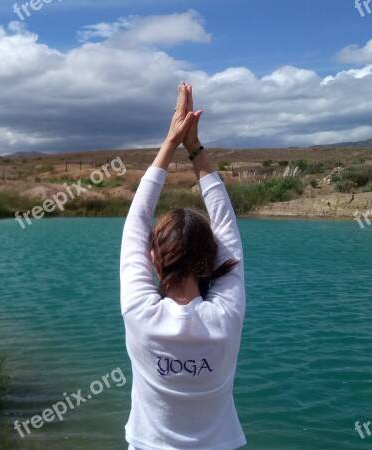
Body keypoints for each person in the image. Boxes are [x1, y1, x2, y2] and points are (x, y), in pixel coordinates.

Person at [120, 82, 246, 450]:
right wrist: (194, 149)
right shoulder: (226, 317)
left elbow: (135, 221)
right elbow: (227, 227)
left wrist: (171, 142)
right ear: (211, 258)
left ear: (154, 259)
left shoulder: (140, 314)